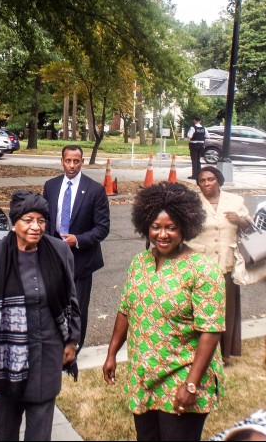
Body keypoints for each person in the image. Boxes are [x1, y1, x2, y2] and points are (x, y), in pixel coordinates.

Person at [103, 182, 226, 442]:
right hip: (144, 374)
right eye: (156, 227)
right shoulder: (140, 263)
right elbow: (126, 309)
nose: (163, 234)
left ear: (185, 226)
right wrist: (112, 353)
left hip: (182, 374)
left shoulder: (203, 269)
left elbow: (211, 330)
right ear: (145, 226)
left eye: (171, 227)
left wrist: (191, 383)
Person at [0, 190, 81, 441]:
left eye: (41, 221)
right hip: (9, 358)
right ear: (15, 221)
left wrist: (72, 341)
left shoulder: (59, 251)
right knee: (7, 426)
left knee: (40, 430)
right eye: (28, 220)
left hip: (48, 355)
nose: (35, 227)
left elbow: (71, 300)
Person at [43, 145, 110, 350]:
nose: (72, 165)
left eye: (76, 161)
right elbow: (45, 219)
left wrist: (78, 240)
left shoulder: (95, 190)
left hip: (81, 261)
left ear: (82, 162)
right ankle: (56, 346)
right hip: (54, 258)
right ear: (61, 161)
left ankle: (74, 350)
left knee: (78, 307)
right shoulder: (51, 186)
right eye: (68, 161)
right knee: (54, 304)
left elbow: (102, 228)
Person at [189, 166, 251, 362]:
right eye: (202, 181)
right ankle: (199, 353)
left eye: (210, 179)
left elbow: (250, 229)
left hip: (226, 264)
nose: (206, 184)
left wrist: (239, 220)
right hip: (200, 265)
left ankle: (224, 354)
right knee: (201, 309)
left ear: (219, 180)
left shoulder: (235, 201)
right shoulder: (192, 203)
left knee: (226, 311)